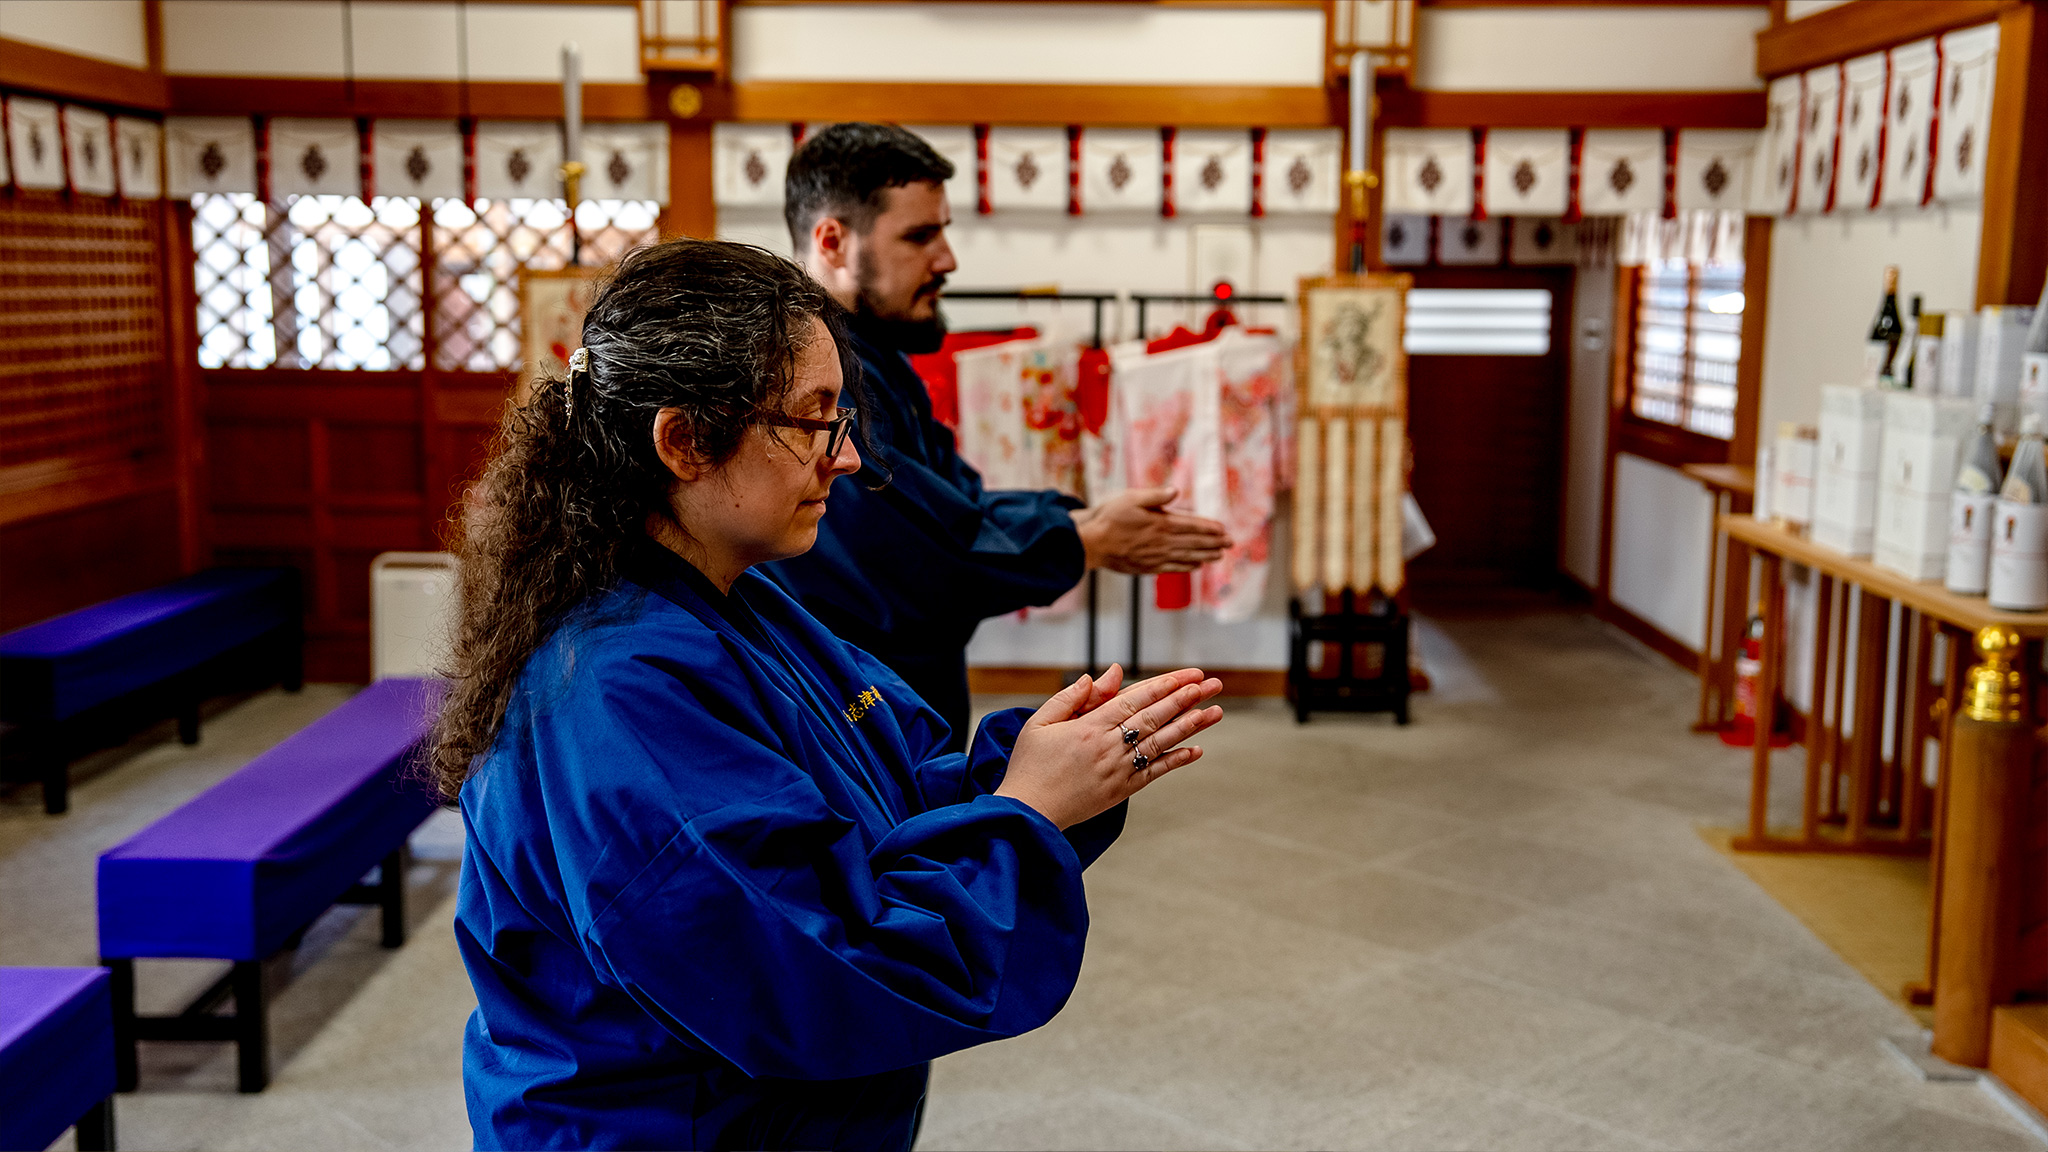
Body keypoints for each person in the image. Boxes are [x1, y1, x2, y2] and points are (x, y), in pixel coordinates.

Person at [433, 239, 1224, 1151]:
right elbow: (813, 975)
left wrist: (1036, 768)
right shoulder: (613, 696)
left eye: (843, 416)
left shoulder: (737, 590)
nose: (845, 459)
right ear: (684, 441)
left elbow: (889, 782)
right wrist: (1025, 813)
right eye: (814, 421)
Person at [765, 122, 1233, 752]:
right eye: (920, 236)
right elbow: (917, 552)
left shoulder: (874, 358)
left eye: (945, 232)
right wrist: (1082, 539)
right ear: (833, 241)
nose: (948, 260)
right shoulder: (818, 382)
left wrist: (1078, 522)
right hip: (859, 710)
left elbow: (959, 503)